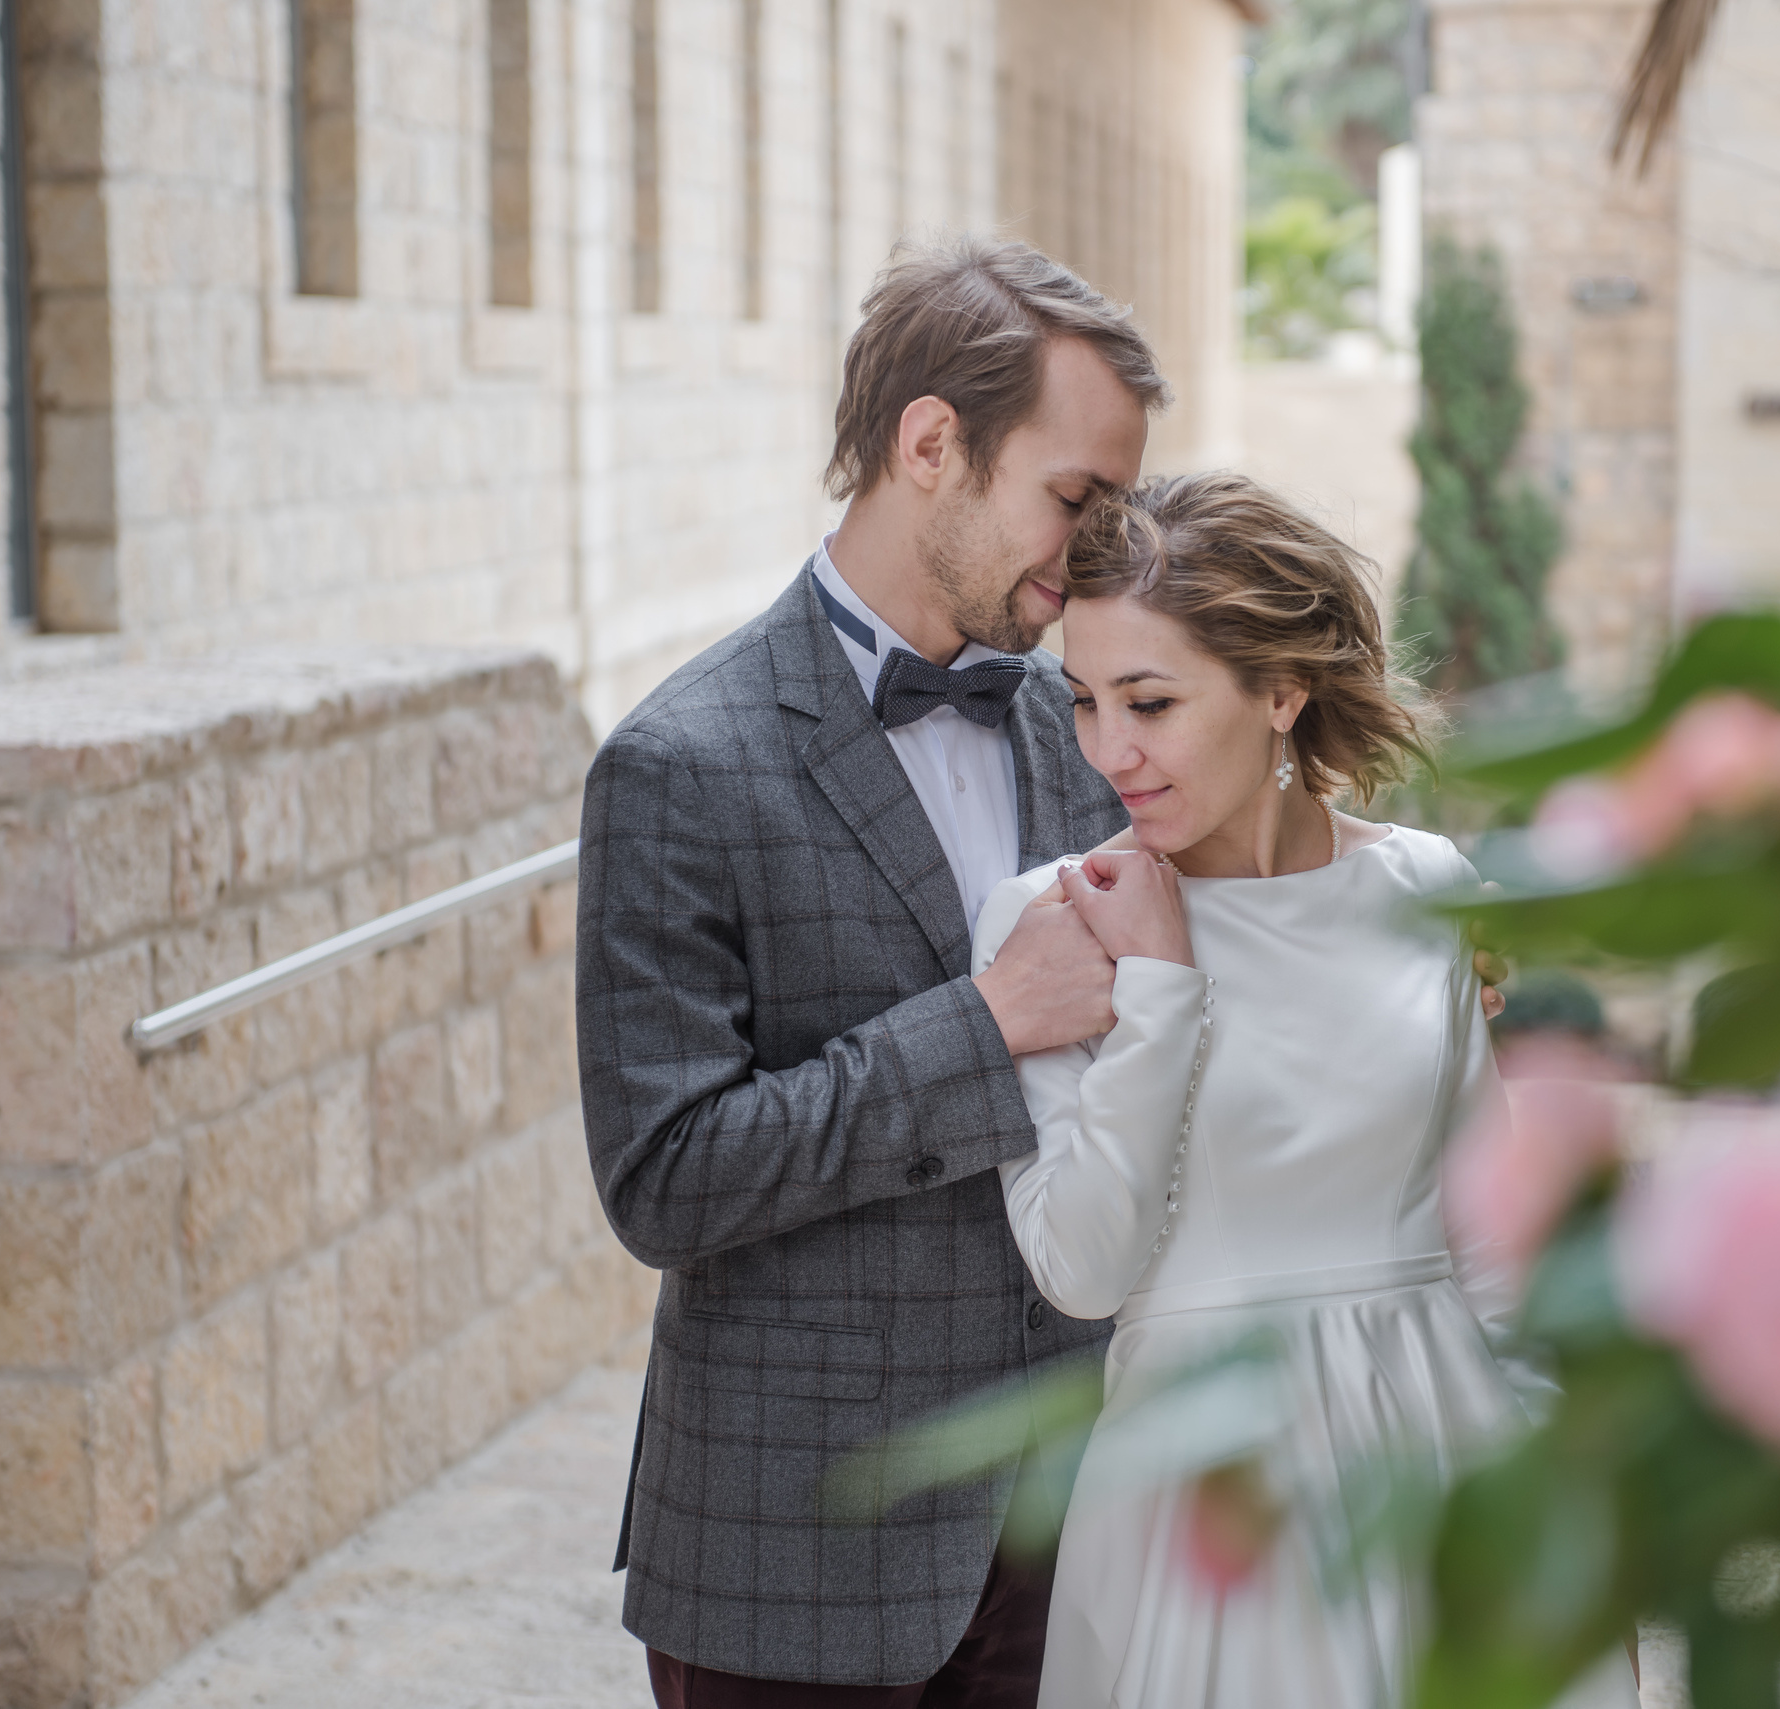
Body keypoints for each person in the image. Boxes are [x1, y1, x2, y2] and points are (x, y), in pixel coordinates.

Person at [574, 237, 1161, 1706]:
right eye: (1073, 502)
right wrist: (983, 1028)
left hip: (1062, 1535)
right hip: (794, 1560)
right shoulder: (678, 764)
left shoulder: (1077, 723)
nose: (1090, 557)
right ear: (930, 445)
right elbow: (665, 1175)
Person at [968, 472, 1638, 1709]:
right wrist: (1159, 987)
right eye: (1084, 702)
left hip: (1446, 1454)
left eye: (1151, 702)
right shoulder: (1054, 920)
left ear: (1281, 691)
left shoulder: (1429, 885)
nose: (1109, 749)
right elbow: (1083, 1268)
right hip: (1207, 1498)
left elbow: (1493, 1242)